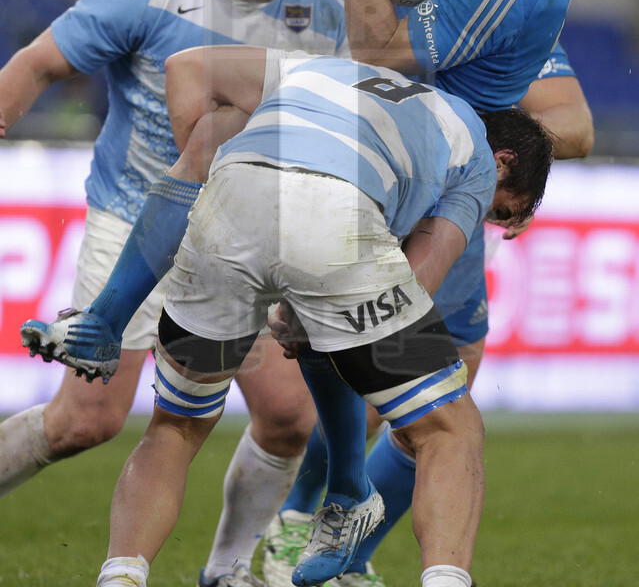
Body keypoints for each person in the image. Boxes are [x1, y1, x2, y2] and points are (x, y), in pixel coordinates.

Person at [0, 0, 350, 587]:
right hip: (133, 225)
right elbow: (34, 64)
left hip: (244, 243)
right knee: (85, 422)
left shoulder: (317, 4)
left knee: (289, 417)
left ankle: (226, 572)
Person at [93, 44, 554, 587]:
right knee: (450, 431)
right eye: (499, 211)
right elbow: (419, 280)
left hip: (225, 201)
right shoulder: (474, 154)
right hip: (336, 215)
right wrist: (324, 308)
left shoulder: (324, 68)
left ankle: (121, 574)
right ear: (505, 163)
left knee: (174, 424)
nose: (486, 223)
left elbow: (188, 66)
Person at [264, 0, 588, 586]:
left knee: (410, 393)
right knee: (407, 391)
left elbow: (570, 127)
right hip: (405, 194)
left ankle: (336, 548)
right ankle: (306, 522)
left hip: (435, 195)